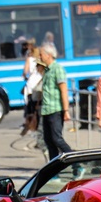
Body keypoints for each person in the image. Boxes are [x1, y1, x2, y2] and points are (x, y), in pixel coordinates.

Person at [39, 43, 84, 179]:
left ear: (48, 55)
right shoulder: (47, 70)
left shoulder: (57, 69)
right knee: (49, 140)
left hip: (55, 110)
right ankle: (54, 171)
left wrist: (66, 110)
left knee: (57, 139)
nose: (40, 56)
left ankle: (77, 164)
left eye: (41, 54)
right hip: (46, 110)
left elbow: (63, 90)